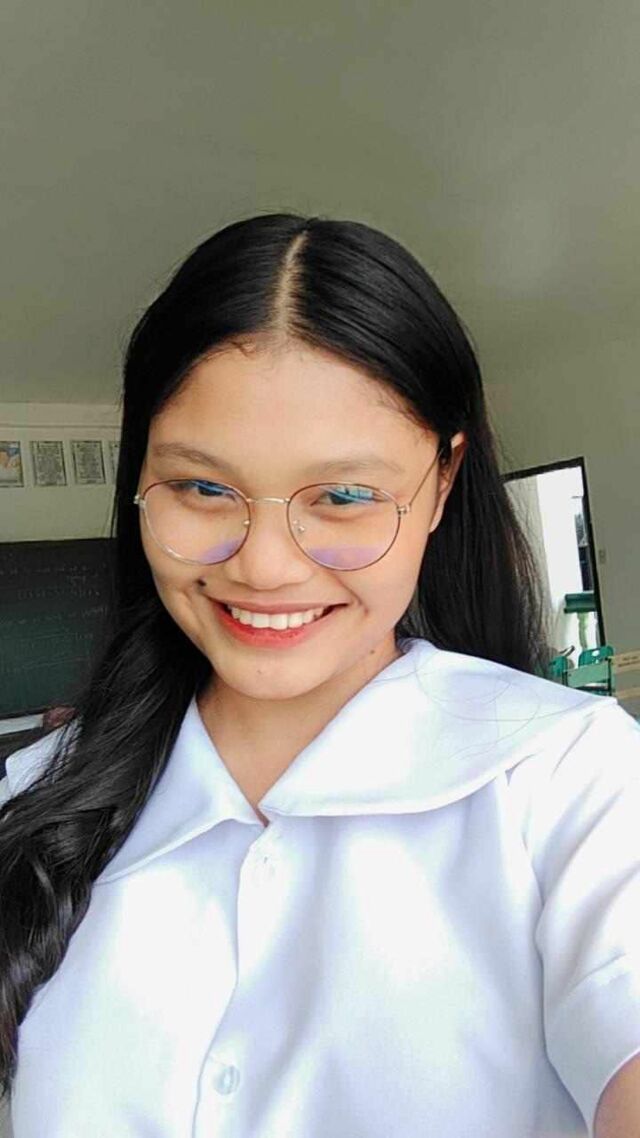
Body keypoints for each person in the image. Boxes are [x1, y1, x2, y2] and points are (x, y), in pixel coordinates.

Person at [1, 212, 639, 1138]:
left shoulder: (575, 785)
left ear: (443, 482)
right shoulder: (28, 801)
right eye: (203, 488)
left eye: (344, 496)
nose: (265, 567)